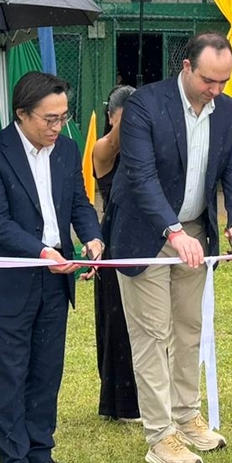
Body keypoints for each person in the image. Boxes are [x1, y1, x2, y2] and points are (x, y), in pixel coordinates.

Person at [109, 31, 232, 463]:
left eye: (224, 81)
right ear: (186, 67)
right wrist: (173, 231)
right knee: (152, 333)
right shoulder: (145, 107)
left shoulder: (230, 113)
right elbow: (141, 177)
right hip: (144, 233)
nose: (217, 90)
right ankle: (159, 435)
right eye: (209, 80)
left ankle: (187, 415)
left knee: (189, 327)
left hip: (196, 233)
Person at [0, 71, 103, 463]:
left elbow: (79, 201)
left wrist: (93, 236)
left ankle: (41, 457)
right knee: (10, 375)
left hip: (55, 278)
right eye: (49, 119)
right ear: (22, 114)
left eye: (63, 118)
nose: (57, 127)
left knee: (48, 371)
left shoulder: (64, 149)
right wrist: (42, 251)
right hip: (12, 279)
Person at [92, 84, 140, 421]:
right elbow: (110, 145)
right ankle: (120, 402)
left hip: (149, 241)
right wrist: (129, 121)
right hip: (116, 241)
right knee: (117, 325)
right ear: (111, 118)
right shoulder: (103, 149)